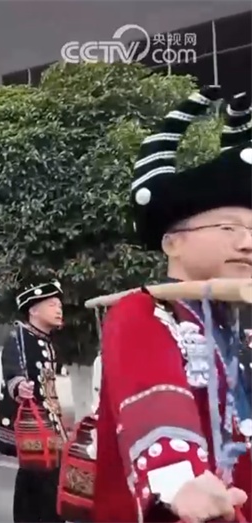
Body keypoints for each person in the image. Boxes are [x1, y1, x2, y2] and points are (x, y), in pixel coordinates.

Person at [90, 87, 251, 522]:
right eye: (228, 227)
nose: (247, 243)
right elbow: (155, 406)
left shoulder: (238, 319)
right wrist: (179, 482)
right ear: (172, 242)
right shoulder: (144, 313)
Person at [0, 281, 66, 523]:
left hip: (49, 418)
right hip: (31, 420)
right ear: (33, 311)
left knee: (38, 474)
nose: (59, 310)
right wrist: (18, 385)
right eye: (52, 305)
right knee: (42, 474)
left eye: (59, 305)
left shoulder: (46, 340)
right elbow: (11, 367)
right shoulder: (19, 335)